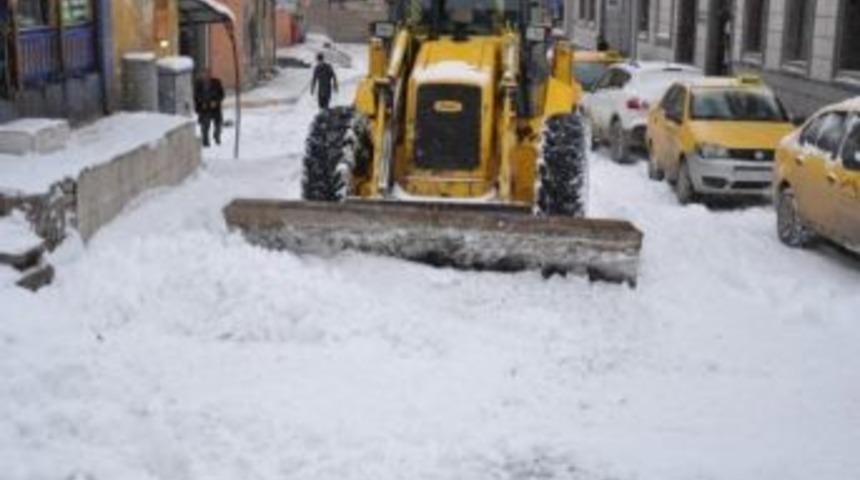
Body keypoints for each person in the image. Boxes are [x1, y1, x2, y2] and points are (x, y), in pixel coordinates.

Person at [194, 69, 225, 147]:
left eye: (208, 74)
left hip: (215, 107)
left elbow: (222, 94)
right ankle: (205, 141)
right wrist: (201, 103)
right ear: (202, 75)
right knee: (205, 125)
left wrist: (216, 102)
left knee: (218, 123)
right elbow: (196, 96)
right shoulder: (199, 83)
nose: (206, 76)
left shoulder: (216, 82)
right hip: (204, 108)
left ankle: (216, 136)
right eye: (205, 74)